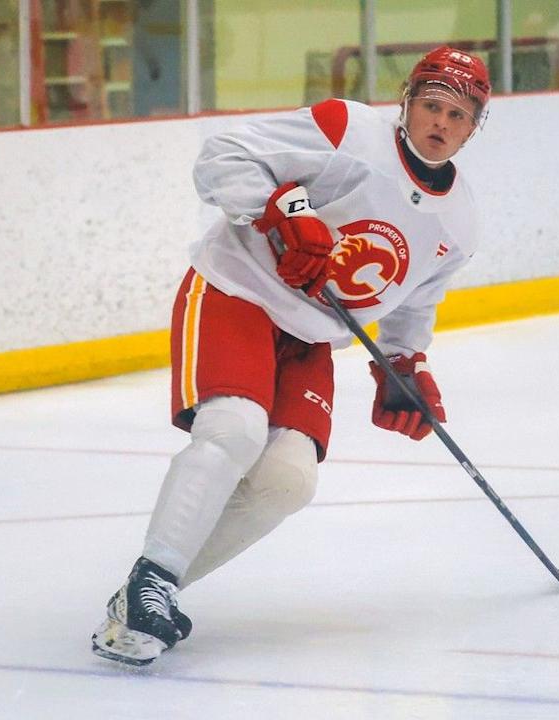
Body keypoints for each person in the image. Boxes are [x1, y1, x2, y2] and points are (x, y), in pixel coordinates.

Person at [90, 46, 491, 666]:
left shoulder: (459, 223)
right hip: (237, 290)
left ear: (474, 127)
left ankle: (144, 597)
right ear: (407, 102)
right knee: (233, 429)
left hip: (307, 336)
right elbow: (224, 154)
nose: (442, 123)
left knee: (287, 482)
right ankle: (154, 578)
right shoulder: (348, 131)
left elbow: (414, 302)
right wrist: (279, 211)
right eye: (432, 105)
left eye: (459, 115)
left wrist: (405, 365)